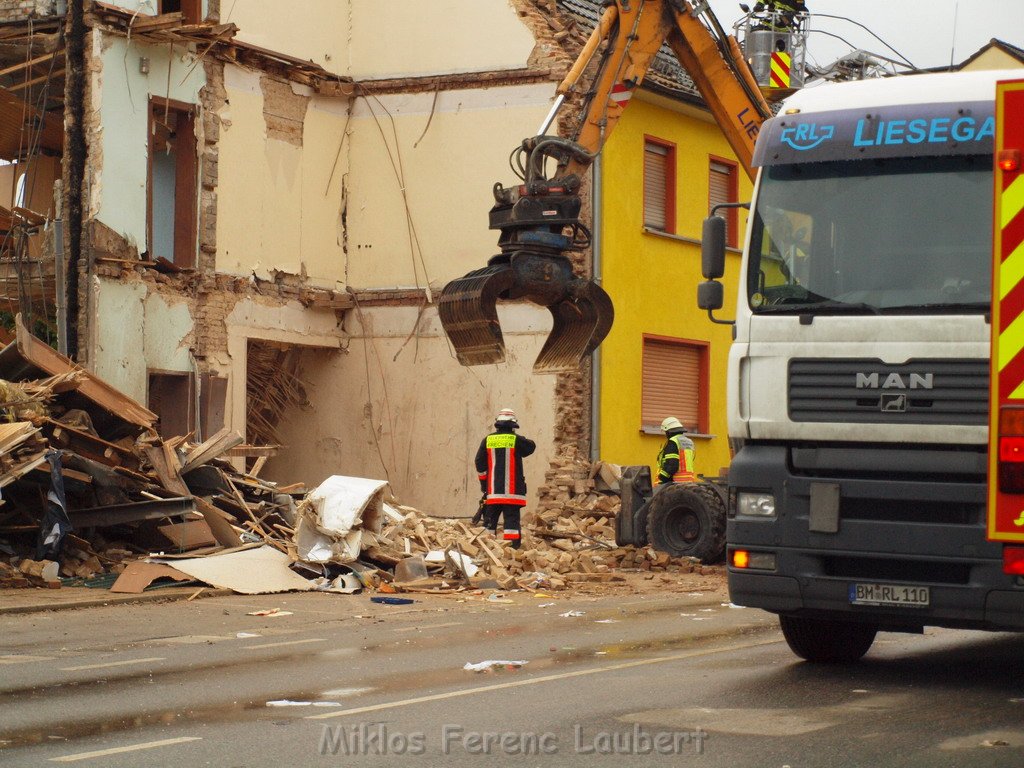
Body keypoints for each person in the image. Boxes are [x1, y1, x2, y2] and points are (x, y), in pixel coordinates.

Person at [475, 408, 536, 549]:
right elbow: (531, 447)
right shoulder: (516, 440)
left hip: (493, 493)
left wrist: (484, 485)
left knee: (489, 524)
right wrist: (519, 438)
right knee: (511, 525)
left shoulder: (488, 440)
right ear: (513, 426)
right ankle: (512, 552)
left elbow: (479, 462)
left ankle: (488, 550)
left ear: (498, 424)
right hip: (512, 494)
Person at [656, 416, 697, 484]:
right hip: (689, 482)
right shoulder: (689, 442)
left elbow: (672, 465)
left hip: (675, 483)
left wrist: (662, 477)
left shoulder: (673, 442)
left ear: (668, 432)